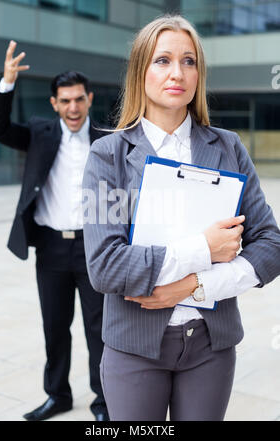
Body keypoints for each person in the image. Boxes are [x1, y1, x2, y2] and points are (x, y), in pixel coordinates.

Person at [82, 15, 280, 421]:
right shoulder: (107, 156)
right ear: (141, 71)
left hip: (211, 347)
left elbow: (271, 245)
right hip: (134, 349)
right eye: (163, 60)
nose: (178, 72)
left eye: (189, 61)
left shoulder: (228, 147)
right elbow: (105, 267)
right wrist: (203, 248)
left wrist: (194, 286)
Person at [0, 40, 109, 422]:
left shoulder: (107, 137)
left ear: (89, 99)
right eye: (64, 101)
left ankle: (103, 403)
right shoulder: (40, 132)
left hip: (95, 249)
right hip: (52, 249)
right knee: (55, 328)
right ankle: (57, 396)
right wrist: (6, 84)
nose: (73, 108)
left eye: (78, 100)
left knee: (99, 331)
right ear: (54, 103)